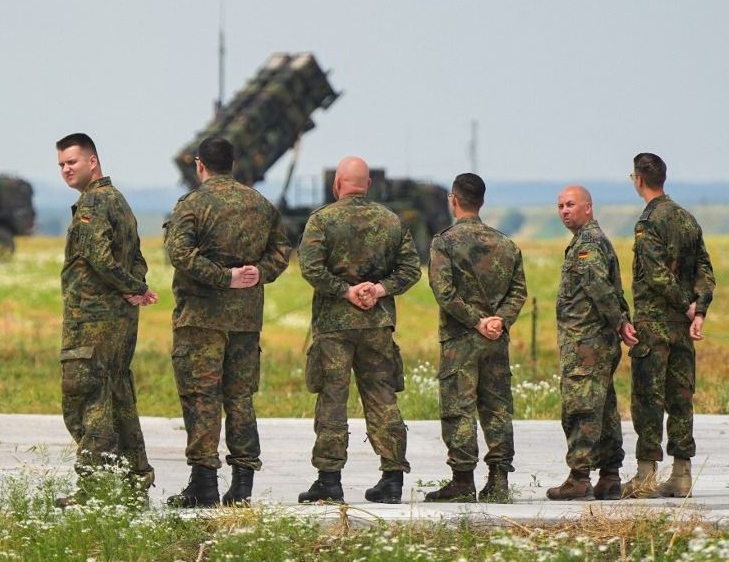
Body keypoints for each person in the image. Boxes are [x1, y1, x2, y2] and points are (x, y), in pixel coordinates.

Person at [164, 136, 291, 507]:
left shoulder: (193, 204)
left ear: (200, 165)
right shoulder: (260, 204)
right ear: (232, 164)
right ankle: (242, 486)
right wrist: (258, 272)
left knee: (202, 398)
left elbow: (180, 254)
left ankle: (203, 485)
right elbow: (282, 249)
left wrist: (224, 277)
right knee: (240, 399)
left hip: (201, 321)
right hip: (246, 323)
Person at [295, 157, 422, 505]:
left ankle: (329, 480)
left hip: (334, 326)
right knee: (383, 398)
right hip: (377, 325)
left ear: (338, 183)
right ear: (367, 185)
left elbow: (310, 267)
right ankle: (392, 478)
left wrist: (344, 291)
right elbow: (411, 268)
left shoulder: (322, 220)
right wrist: (378, 289)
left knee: (333, 399)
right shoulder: (390, 220)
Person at [55, 133, 157, 506]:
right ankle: (135, 481)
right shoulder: (119, 201)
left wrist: (135, 287)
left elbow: (99, 257)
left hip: (92, 321)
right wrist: (136, 287)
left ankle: (93, 490)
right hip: (120, 320)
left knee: (86, 399)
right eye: (62, 165)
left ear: (92, 161)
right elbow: (137, 257)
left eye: (72, 162)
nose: (66, 170)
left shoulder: (95, 202)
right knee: (118, 395)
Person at [425, 173, 527, 503]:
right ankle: (499, 481)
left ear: (454, 200)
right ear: (481, 201)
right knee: (497, 408)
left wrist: (476, 320)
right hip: (496, 340)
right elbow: (518, 291)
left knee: (460, 408)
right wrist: (499, 320)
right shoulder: (505, 243)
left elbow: (444, 292)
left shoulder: (444, 242)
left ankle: (462, 481)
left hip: (460, 341)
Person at [623, 153, 715, 499]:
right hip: (682, 329)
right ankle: (681, 474)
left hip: (655, 325)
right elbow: (705, 270)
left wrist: (688, 306)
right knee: (680, 399)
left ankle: (646, 475)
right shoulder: (687, 218)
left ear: (638, 180)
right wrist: (699, 308)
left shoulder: (649, 222)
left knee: (648, 398)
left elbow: (657, 275)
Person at [546, 185, 636, 501]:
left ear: (588, 207)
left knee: (580, 407)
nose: (564, 211)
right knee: (605, 408)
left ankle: (579, 477)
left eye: (571, 204)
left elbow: (599, 287)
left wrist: (620, 322)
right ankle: (610, 476)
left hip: (586, 343)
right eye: (560, 206)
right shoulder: (591, 241)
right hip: (594, 341)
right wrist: (620, 321)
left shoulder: (588, 244)